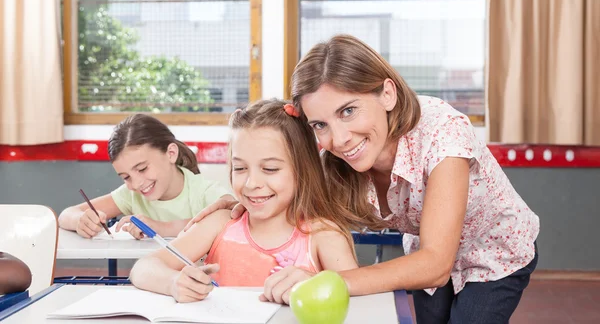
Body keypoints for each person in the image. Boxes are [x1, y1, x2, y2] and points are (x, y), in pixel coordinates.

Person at [185, 35, 540, 323]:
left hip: (494, 250)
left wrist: (329, 279)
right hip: (425, 248)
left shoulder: (443, 135)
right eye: (320, 124)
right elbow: (293, 187)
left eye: (348, 111)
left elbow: (435, 265)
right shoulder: (331, 158)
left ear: (387, 93)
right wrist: (246, 197)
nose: (338, 139)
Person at [129, 99, 358, 302]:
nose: (251, 183)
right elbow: (143, 268)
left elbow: (360, 300)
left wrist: (317, 286)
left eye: (270, 168)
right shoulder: (220, 223)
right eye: (239, 168)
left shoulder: (324, 235)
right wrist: (173, 282)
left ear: (303, 170)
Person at [58, 114, 231, 239]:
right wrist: (79, 220)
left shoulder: (203, 191)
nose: (136, 183)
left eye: (142, 169)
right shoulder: (131, 194)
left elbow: (234, 216)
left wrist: (162, 228)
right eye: (126, 177)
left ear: (170, 153)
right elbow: (65, 215)